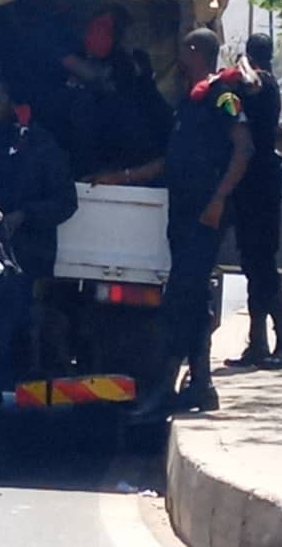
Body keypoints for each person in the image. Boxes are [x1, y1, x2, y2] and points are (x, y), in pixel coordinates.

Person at [99, 29, 255, 418]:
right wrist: (122, 178)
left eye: (181, 48)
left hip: (205, 213)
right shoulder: (190, 98)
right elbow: (172, 161)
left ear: (192, 50)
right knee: (194, 299)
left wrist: (219, 199)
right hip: (183, 212)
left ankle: (164, 386)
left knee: (179, 300)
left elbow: (244, 147)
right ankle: (201, 384)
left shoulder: (221, 95)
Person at [0, 78, 77, 468]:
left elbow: (65, 201)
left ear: (11, 102)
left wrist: (25, 215)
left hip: (17, 264)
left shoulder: (37, 146)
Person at [224, 33, 282, 370]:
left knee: (263, 267)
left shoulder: (261, 81)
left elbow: (249, 81)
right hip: (256, 181)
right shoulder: (269, 88)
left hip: (258, 182)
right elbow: (276, 132)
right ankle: (259, 342)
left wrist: (241, 62)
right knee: (254, 266)